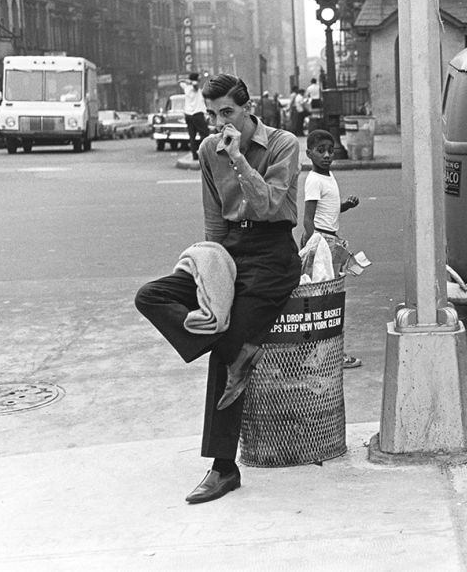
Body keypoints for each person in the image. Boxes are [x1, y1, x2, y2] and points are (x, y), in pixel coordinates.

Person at [135, 73, 303, 504]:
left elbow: (269, 205)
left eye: (227, 112)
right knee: (151, 296)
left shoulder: (283, 144)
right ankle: (213, 333)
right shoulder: (208, 150)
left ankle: (223, 468)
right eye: (212, 114)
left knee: (229, 351)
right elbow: (214, 218)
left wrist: (240, 161)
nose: (218, 123)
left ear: (248, 108)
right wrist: (208, 266)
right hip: (230, 250)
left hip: (272, 257)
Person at [301, 129, 362, 369]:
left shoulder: (327, 176)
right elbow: (308, 219)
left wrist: (345, 205)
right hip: (323, 243)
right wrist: (317, 247)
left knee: (329, 299)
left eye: (330, 150)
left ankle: (325, 353)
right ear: (308, 153)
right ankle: (328, 355)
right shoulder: (314, 180)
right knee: (325, 302)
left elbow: (329, 210)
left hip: (330, 241)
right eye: (320, 151)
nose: (327, 155)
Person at [180, 72, 210, 161]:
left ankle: (194, 155)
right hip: (197, 114)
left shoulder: (186, 88)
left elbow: (180, 82)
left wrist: (187, 81)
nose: (200, 79)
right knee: (204, 133)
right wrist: (192, 82)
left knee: (192, 136)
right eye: (199, 78)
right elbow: (195, 84)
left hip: (188, 115)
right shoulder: (195, 88)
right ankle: (204, 153)